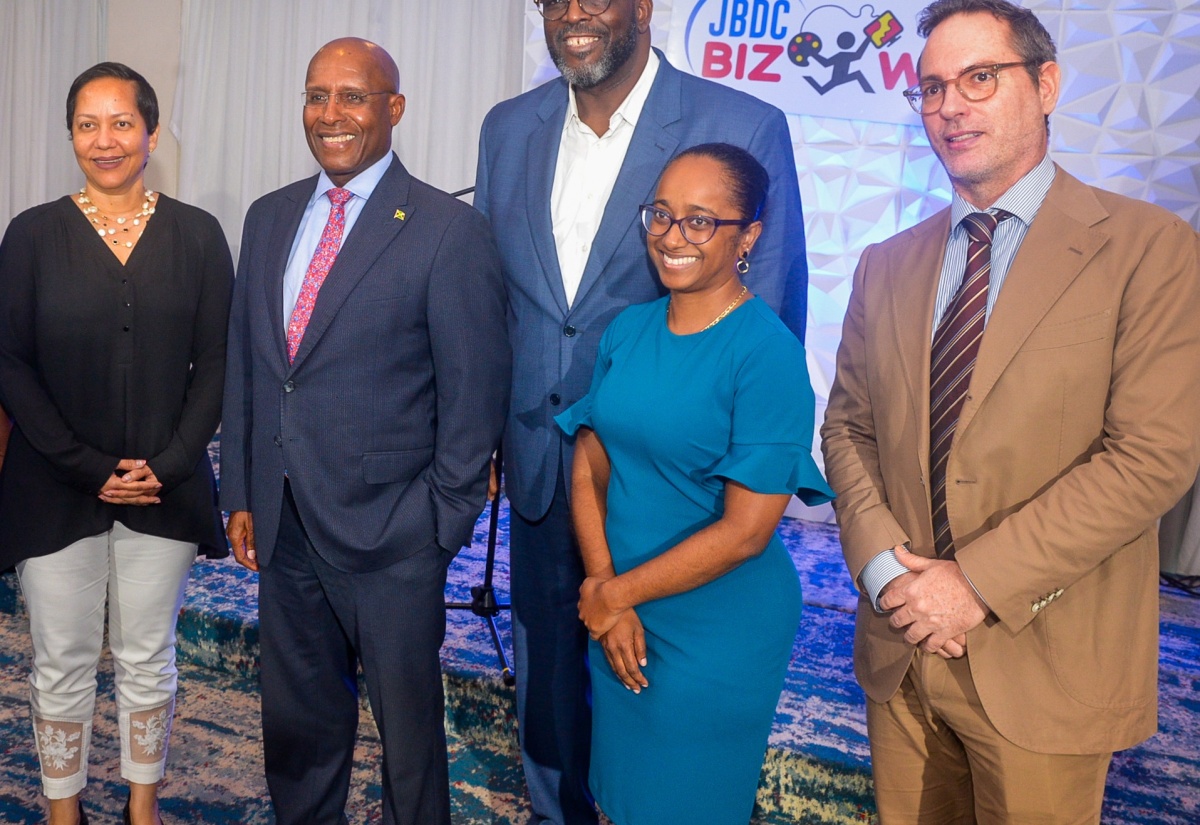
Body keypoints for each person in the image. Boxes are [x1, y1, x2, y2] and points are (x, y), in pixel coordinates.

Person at [820, 0, 1200, 821]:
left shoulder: (1150, 249)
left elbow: (1153, 455)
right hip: (902, 648)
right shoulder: (886, 261)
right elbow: (847, 426)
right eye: (930, 88)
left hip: (1044, 660)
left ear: (1048, 83)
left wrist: (975, 584)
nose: (950, 105)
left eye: (979, 78)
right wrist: (888, 572)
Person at [474, 2, 808, 820]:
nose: (575, 11)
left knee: (664, 728)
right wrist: (481, 433)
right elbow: (489, 302)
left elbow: (761, 314)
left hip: (681, 507)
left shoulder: (743, 123)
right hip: (548, 467)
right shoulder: (507, 127)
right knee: (548, 697)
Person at [220, 38, 509, 825]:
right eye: (317, 96)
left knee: (408, 742)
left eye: (353, 96)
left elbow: (474, 398)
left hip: (393, 536)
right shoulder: (270, 214)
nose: (331, 115)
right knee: (298, 725)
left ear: (394, 108)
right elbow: (252, 366)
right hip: (284, 526)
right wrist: (242, 490)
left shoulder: (449, 230)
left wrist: (437, 528)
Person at [556, 143, 832, 824]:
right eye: (662, 215)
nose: (672, 237)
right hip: (621, 607)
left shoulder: (766, 354)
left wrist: (613, 594)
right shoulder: (628, 327)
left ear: (750, 236)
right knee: (617, 799)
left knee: (684, 805)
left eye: (700, 221)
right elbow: (589, 462)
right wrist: (604, 588)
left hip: (716, 626)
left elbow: (745, 533)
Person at [0, 63, 234, 825]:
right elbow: (11, 361)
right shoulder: (31, 234)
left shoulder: (199, 234)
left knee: (147, 658)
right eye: (88, 125)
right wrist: (89, 467)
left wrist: (164, 466)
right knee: (59, 661)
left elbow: (218, 363)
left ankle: (142, 807)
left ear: (152, 133)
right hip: (53, 486)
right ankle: (63, 811)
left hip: (163, 489)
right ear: (71, 135)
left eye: (122, 122)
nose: (106, 140)